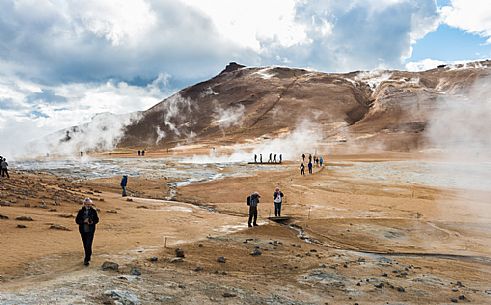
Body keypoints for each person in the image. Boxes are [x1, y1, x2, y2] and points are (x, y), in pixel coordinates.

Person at [75, 198, 99, 266]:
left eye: (90, 204)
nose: (89, 206)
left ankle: (87, 259)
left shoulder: (93, 211)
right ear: (84, 204)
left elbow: (97, 220)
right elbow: (77, 221)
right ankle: (88, 255)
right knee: (85, 244)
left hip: (91, 230)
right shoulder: (81, 211)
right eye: (87, 204)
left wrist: (92, 222)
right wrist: (83, 222)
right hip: (83, 230)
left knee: (89, 244)